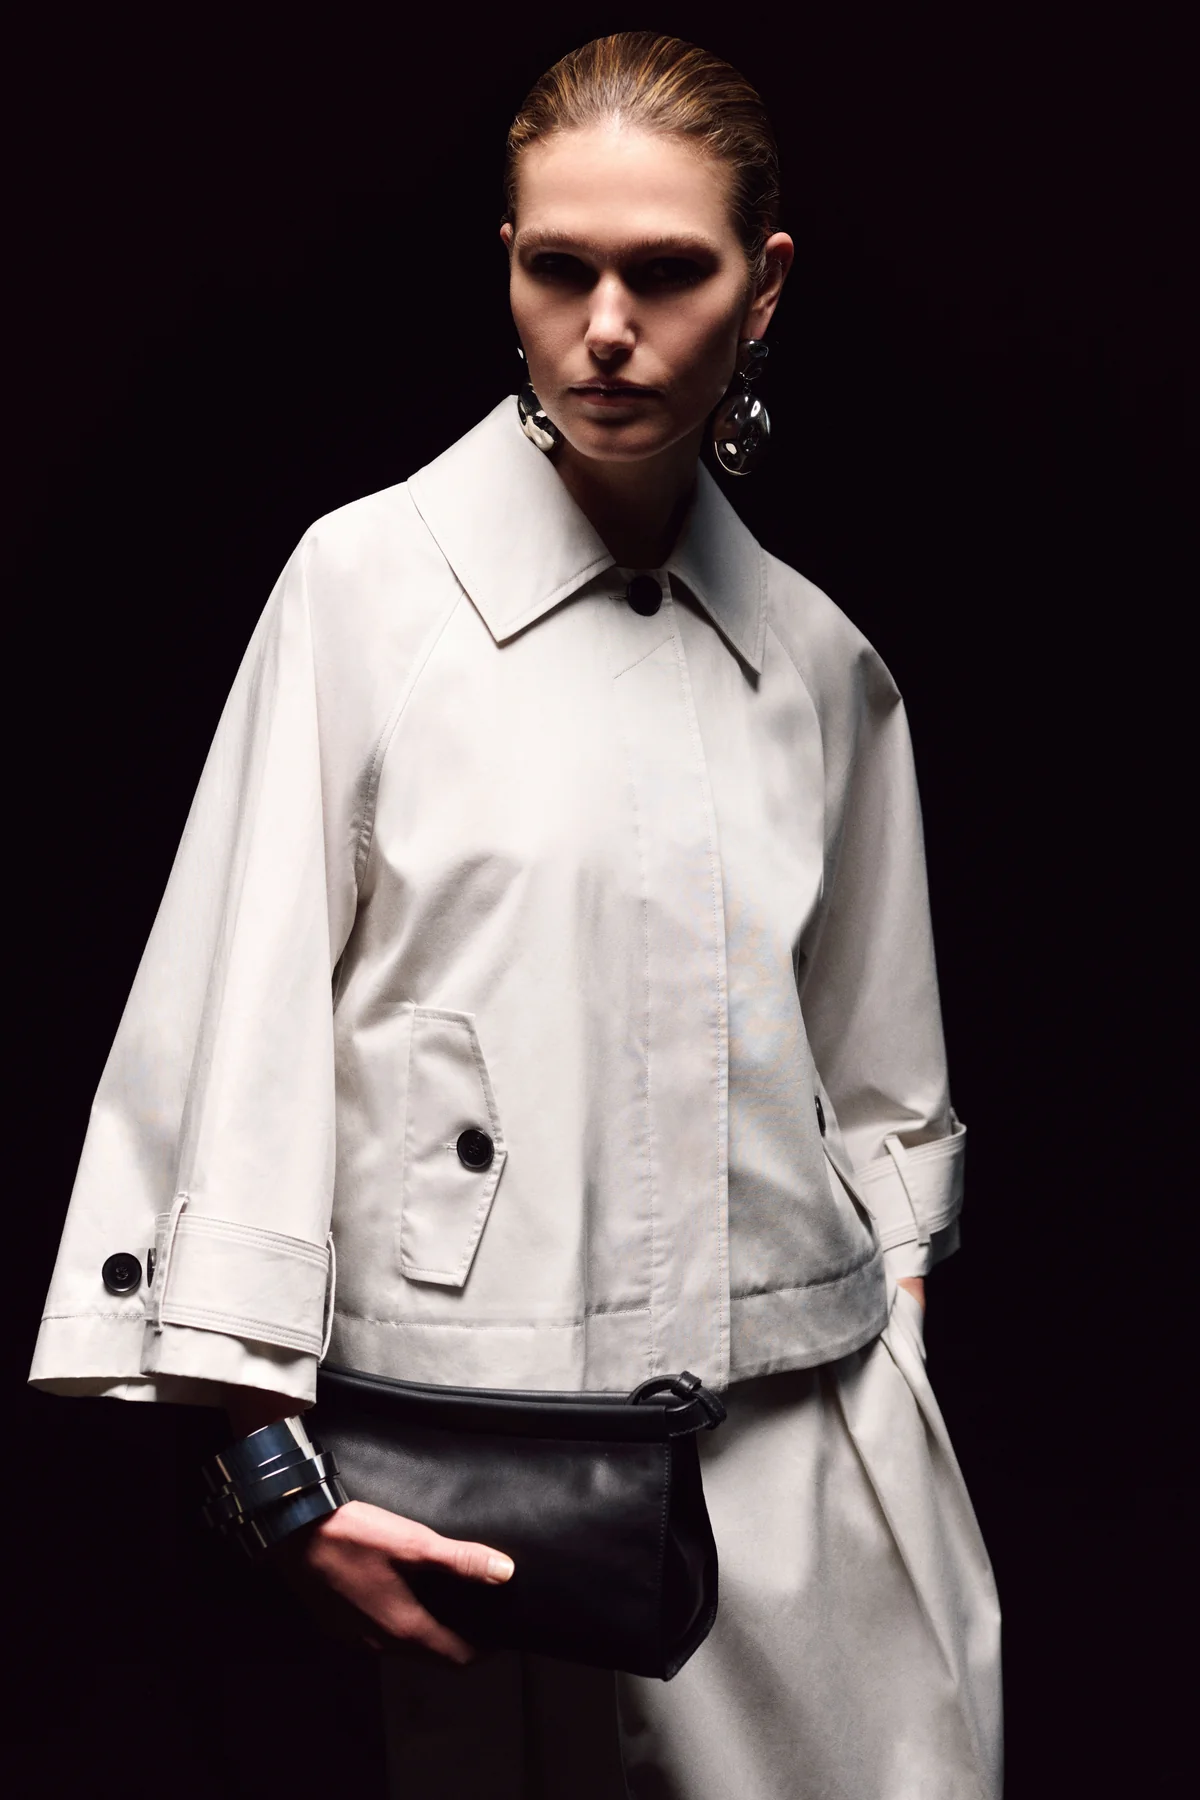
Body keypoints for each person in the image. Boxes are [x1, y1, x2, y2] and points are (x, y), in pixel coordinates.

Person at [30, 31, 1002, 1800]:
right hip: (476, 1512)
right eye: (560, 266)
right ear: (506, 264)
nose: (608, 326)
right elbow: (236, 1035)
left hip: (812, 1500)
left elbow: (885, 1099)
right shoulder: (363, 595)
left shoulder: (824, 668)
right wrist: (269, 1476)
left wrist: (895, 1371)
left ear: (766, 286)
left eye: (669, 270)